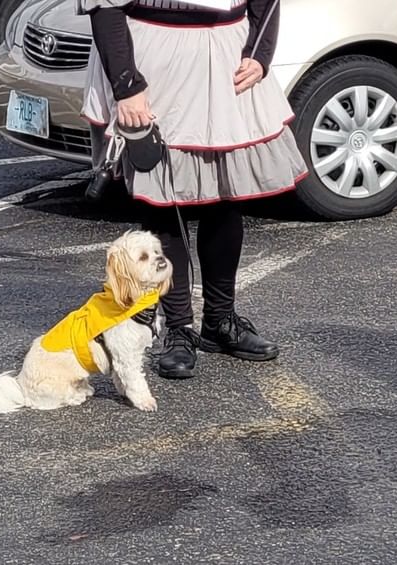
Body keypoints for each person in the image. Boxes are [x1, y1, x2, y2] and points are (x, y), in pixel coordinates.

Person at [78, 0, 309, 379]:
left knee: (226, 197)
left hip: (228, 59)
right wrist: (126, 84)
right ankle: (179, 328)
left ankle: (220, 321)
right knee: (164, 204)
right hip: (155, 60)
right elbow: (104, 6)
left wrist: (260, 54)